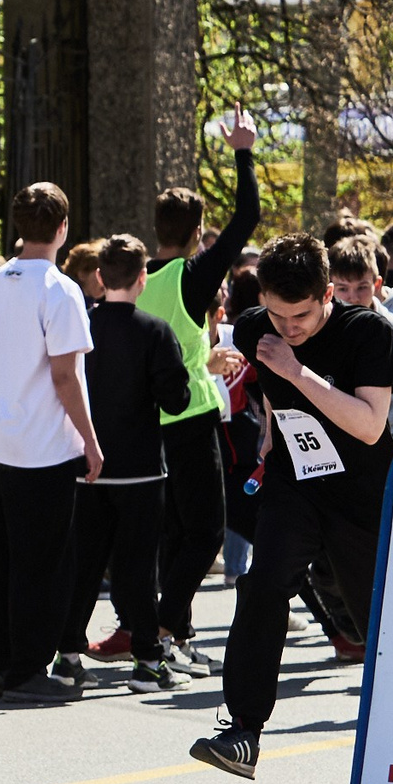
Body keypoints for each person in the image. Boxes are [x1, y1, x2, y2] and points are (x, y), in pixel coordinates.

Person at [193, 234, 393, 779]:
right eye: (278, 316)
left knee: (380, 625)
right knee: (263, 585)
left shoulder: (368, 332)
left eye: (302, 315)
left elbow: (371, 425)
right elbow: (270, 393)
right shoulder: (259, 326)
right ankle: (243, 731)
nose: (289, 328)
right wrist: (270, 427)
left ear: (328, 294)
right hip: (295, 484)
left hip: (360, 496)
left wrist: (295, 373)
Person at [0, 182, 102, 704]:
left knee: (2, 552)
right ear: (64, 228)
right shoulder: (60, 289)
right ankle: (28, 667)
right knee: (43, 561)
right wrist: (91, 441)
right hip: (44, 441)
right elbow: (66, 376)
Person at [141, 113, 259, 675]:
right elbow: (250, 218)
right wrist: (242, 152)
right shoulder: (191, 275)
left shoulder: (138, 277)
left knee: (176, 530)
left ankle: (174, 636)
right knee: (208, 529)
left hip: (149, 418)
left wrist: (202, 358)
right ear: (197, 232)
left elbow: (161, 344)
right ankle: (162, 631)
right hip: (189, 414)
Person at [54, 234, 191, 693]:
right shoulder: (154, 331)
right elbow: (176, 400)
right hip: (140, 466)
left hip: (86, 463)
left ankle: (68, 653)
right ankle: (148, 659)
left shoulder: (83, 326)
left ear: (98, 276)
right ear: (142, 277)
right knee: (137, 567)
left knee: (86, 562)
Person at [328, 235, 393, 435]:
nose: (353, 297)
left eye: (362, 287)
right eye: (343, 289)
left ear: (377, 284)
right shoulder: (319, 326)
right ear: (329, 289)